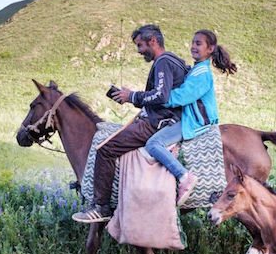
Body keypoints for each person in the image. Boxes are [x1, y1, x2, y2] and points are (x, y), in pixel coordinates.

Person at [72, 24, 189, 223]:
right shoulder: (173, 61)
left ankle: (101, 207)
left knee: (105, 148)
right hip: (163, 118)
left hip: (157, 124)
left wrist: (132, 95)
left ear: (153, 41)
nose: (138, 51)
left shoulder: (162, 62)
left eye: (140, 45)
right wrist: (130, 98)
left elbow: (162, 95)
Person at [145, 29, 237, 207]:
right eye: (193, 42)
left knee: (153, 144)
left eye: (198, 44)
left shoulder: (202, 74)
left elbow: (183, 96)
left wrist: (159, 99)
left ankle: (184, 176)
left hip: (194, 121)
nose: (193, 46)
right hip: (188, 116)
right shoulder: (197, 69)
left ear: (210, 49)